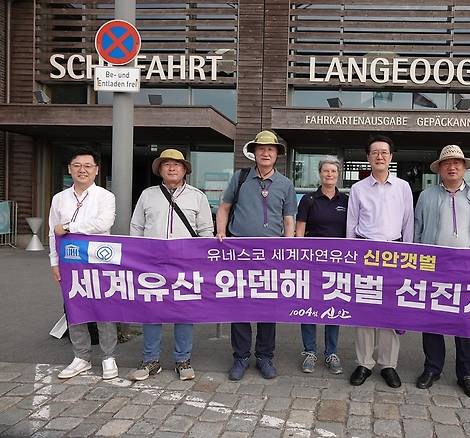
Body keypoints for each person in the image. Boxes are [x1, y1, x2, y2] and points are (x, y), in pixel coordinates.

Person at [414, 144, 470, 398]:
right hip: (434, 266)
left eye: (457, 163)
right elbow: (417, 230)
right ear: (439, 169)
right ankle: (432, 368)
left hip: (469, 267)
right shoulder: (426, 196)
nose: (452, 167)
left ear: (464, 168)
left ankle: (466, 374)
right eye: (447, 163)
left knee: (466, 321)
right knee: (432, 319)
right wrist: (417, 264)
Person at [216, 130, 297, 381]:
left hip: (271, 253)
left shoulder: (285, 184)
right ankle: (240, 356)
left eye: (270, 149)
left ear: (277, 155)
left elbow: (288, 218)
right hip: (240, 249)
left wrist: (288, 243)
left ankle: (264, 356)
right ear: (254, 152)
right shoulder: (240, 178)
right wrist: (221, 233)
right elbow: (224, 207)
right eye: (261, 148)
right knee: (239, 303)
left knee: (267, 305)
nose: (265, 152)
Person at [128, 149, 214, 381]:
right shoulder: (148, 195)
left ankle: (183, 359)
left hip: (186, 263)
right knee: (151, 310)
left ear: (185, 169)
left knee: (184, 311)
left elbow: (206, 231)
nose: (172, 168)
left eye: (177, 164)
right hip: (151, 262)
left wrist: (201, 260)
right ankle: (150, 360)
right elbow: (136, 227)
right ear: (160, 170)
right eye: (167, 164)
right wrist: (137, 257)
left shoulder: (198, 197)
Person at [346, 134, 414, 388]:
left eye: (384, 152)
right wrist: (352, 257)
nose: (380, 156)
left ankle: (388, 364)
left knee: (389, 310)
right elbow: (351, 224)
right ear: (368, 157)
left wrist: (407, 255)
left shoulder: (403, 187)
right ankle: (364, 362)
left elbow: (409, 222)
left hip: (395, 254)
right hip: (365, 253)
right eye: (375, 152)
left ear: (391, 157)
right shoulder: (358, 188)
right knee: (365, 308)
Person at [48, 147, 118, 380]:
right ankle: (81, 357)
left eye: (88, 166)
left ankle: (109, 357)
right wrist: (53, 262)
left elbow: (103, 223)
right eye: (77, 165)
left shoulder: (105, 197)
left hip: (100, 260)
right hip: (69, 261)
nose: (82, 170)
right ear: (69, 169)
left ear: (96, 170)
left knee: (104, 308)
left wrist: (69, 227)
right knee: (75, 307)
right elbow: (52, 233)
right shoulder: (59, 198)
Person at [296, 156, 348, 375]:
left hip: (337, 265)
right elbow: (299, 233)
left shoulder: (346, 201)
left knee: (333, 307)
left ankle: (331, 353)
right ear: (320, 174)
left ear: (338, 175)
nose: (329, 175)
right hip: (311, 264)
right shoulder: (308, 200)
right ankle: (309, 352)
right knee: (309, 308)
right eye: (326, 171)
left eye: (333, 172)